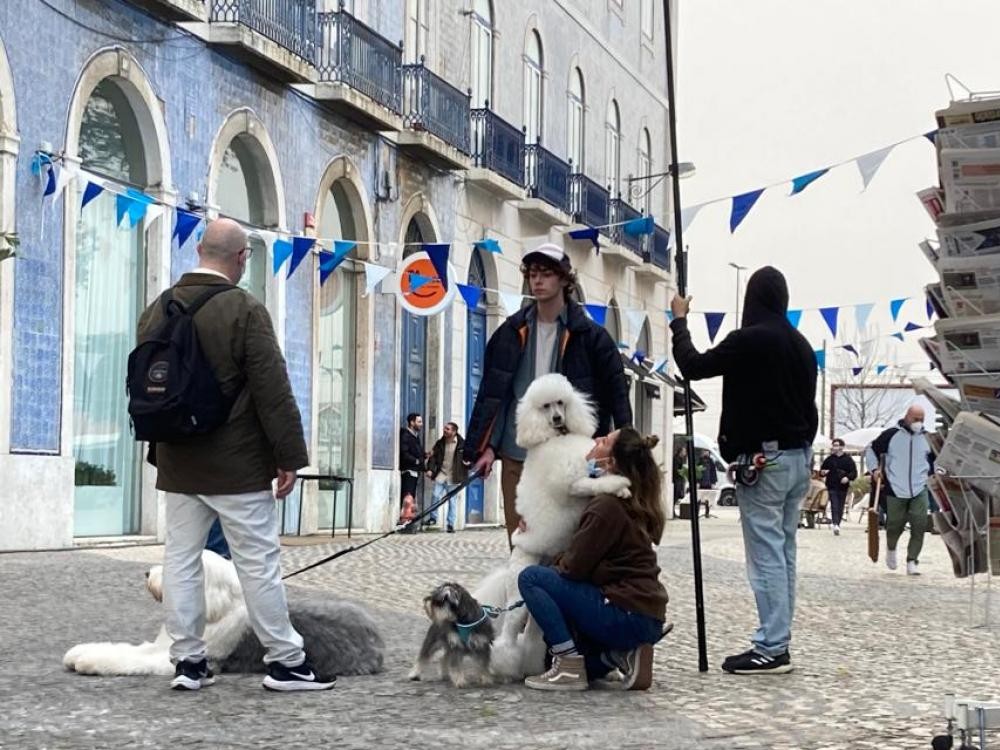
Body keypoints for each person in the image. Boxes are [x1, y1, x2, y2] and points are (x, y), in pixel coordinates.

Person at [136, 218, 334, 692]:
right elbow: (273, 389)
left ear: (199, 249)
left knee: (181, 561)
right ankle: (286, 662)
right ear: (242, 258)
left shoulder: (157, 308)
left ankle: (188, 662)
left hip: (179, 462)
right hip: (238, 467)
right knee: (257, 565)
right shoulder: (245, 309)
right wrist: (289, 456)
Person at [670, 266, 817, 675]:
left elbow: (693, 365)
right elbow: (809, 409)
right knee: (784, 552)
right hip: (797, 457)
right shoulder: (802, 346)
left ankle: (772, 647)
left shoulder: (749, 339)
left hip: (764, 462)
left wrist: (679, 321)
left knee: (766, 555)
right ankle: (778, 640)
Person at [464, 244, 632, 545]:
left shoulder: (593, 338)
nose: (537, 281)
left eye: (546, 274)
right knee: (521, 542)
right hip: (518, 455)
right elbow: (495, 395)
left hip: (571, 458)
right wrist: (486, 447)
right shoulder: (509, 332)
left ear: (565, 279)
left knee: (566, 542)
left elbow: (617, 393)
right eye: (532, 274)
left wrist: (624, 448)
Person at [517, 428, 668, 692]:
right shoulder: (630, 498)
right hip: (645, 614)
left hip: (625, 612)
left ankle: (568, 664)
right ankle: (619, 655)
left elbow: (573, 568)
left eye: (604, 441)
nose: (596, 440)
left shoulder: (606, 506)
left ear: (610, 463)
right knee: (562, 661)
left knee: (531, 578)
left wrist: (552, 557)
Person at [864, 405, 934, 575]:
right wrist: (874, 470)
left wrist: (934, 474)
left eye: (921, 419)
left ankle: (912, 560)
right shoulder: (891, 435)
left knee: (919, 524)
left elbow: (936, 460)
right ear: (907, 417)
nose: (918, 422)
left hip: (920, 487)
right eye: (915, 419)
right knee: (895, 525)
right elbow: (871, 450)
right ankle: (891, 548)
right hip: (895, 488)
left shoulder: (928, 438)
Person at [425, 422, 468, 532]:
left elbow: (470, 458)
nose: (444, 430)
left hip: (454, 477)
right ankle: (433, 518)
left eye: (447, 429)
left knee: (452, 501)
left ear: (454, 432)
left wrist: (469, 464)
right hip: (441, 474)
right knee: (435, 495)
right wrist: (430, 469)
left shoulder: (462, 444)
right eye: (445, 428)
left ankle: (450, 524)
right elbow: (433, 457)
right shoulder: (440, 443)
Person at [819, 438, 857, 535]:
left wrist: (847, 478)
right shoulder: (829, 459)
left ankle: (837, 524)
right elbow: (821, 471)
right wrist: (823, 472)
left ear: (842, 447)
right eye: (833, 445)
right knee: (834, 504)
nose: (834, 447)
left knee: (840, 505)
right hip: (831, 485)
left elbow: (854, 473)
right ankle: (835, 523)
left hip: (843, 486)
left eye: (836, 445)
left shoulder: (848, 460)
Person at [399, 413, 425, 520]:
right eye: (419, 422)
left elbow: (418, 452)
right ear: (412, 422)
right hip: (408, 470)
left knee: (411, 495)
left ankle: (408, 518)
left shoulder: (415, 436)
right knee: (408, 496)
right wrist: (416, 461)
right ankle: (405, 518)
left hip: (415, 470)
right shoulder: (406, 435)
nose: (421, 424)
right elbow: (404, 453)